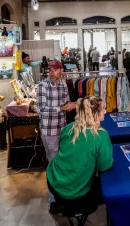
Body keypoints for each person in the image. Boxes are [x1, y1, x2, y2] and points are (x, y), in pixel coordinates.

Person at [46, 96, 113, 215]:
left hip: (53, 182)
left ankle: (60, 205)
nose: (105, 111)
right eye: (103, 108)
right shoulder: (101, 136)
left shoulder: (68, 128)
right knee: (109, 189)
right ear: (95, 113)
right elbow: (105, 166)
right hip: (75, 196)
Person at [37, 60, 77, 211]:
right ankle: (54, 200)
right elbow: (42, 109)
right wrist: (62, 107)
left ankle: (63, 195)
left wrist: (73, 105)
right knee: (54, 164)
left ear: (61, 70)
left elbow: (66, 104)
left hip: (62, 130)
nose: (51, 72)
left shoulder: (64, 85)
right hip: (49, 131)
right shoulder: (43, 86)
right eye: (50, 69)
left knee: (62, 163)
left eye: (54, 69)